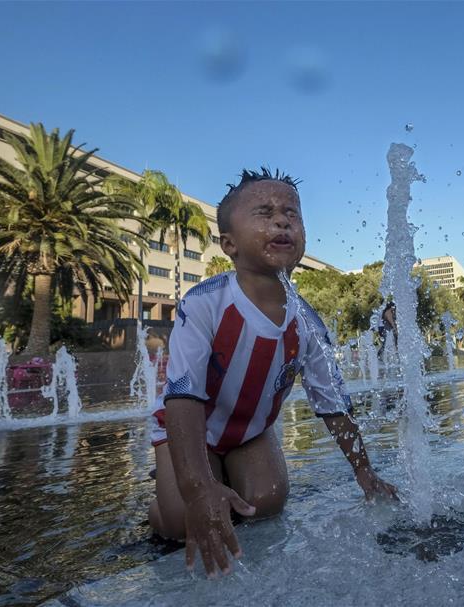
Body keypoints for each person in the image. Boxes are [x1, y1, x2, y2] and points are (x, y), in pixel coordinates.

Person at [148, 168, 397, 578]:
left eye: (291, 213)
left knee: (265, 502)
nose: (281, 221)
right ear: (229, 243)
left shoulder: (307, 323)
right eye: (263, 212)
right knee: (182, 519)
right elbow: (183, 395)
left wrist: (365, 472)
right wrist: (196, 487)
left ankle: (220, 471)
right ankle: (170, 486)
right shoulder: (206, 302)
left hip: (249, 433)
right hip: (188, 428)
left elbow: (333, 402)